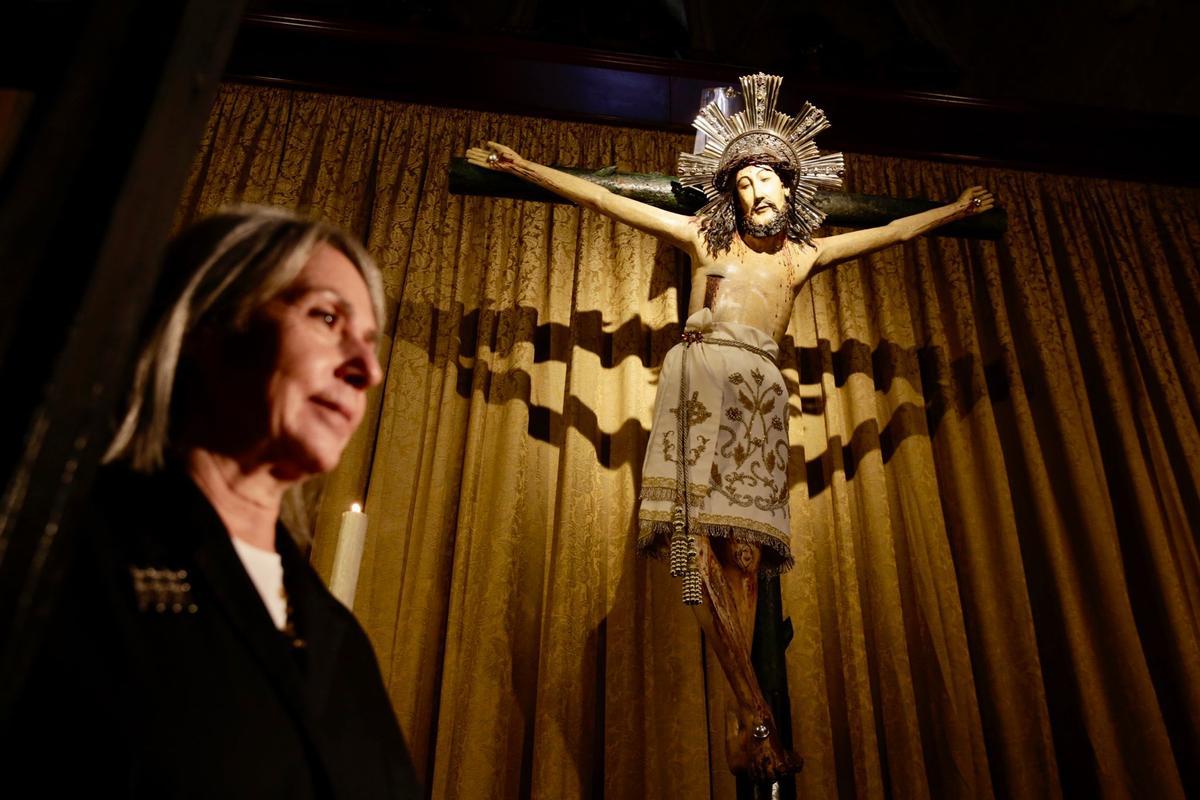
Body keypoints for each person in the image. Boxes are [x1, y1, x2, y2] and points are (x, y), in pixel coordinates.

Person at [467, 73, 994, 783]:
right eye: (743, 185)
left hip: (760, 394)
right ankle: (751, 709)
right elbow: (605, 198)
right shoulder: (701, 240)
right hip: (701, 377)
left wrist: (954, 211)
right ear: (733, 196)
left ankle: (742, 712)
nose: (756, 194)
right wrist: (527, 169)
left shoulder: (805, 257)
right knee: (691, 549)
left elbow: (890, 231)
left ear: (787, 187)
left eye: (766, 181)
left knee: (744, 556)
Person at [3, 206, 420, 797]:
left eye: (371, 342)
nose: (369, 370)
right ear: (207, 324)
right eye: (326, 316)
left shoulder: (338, 637)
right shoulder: (60, 554)